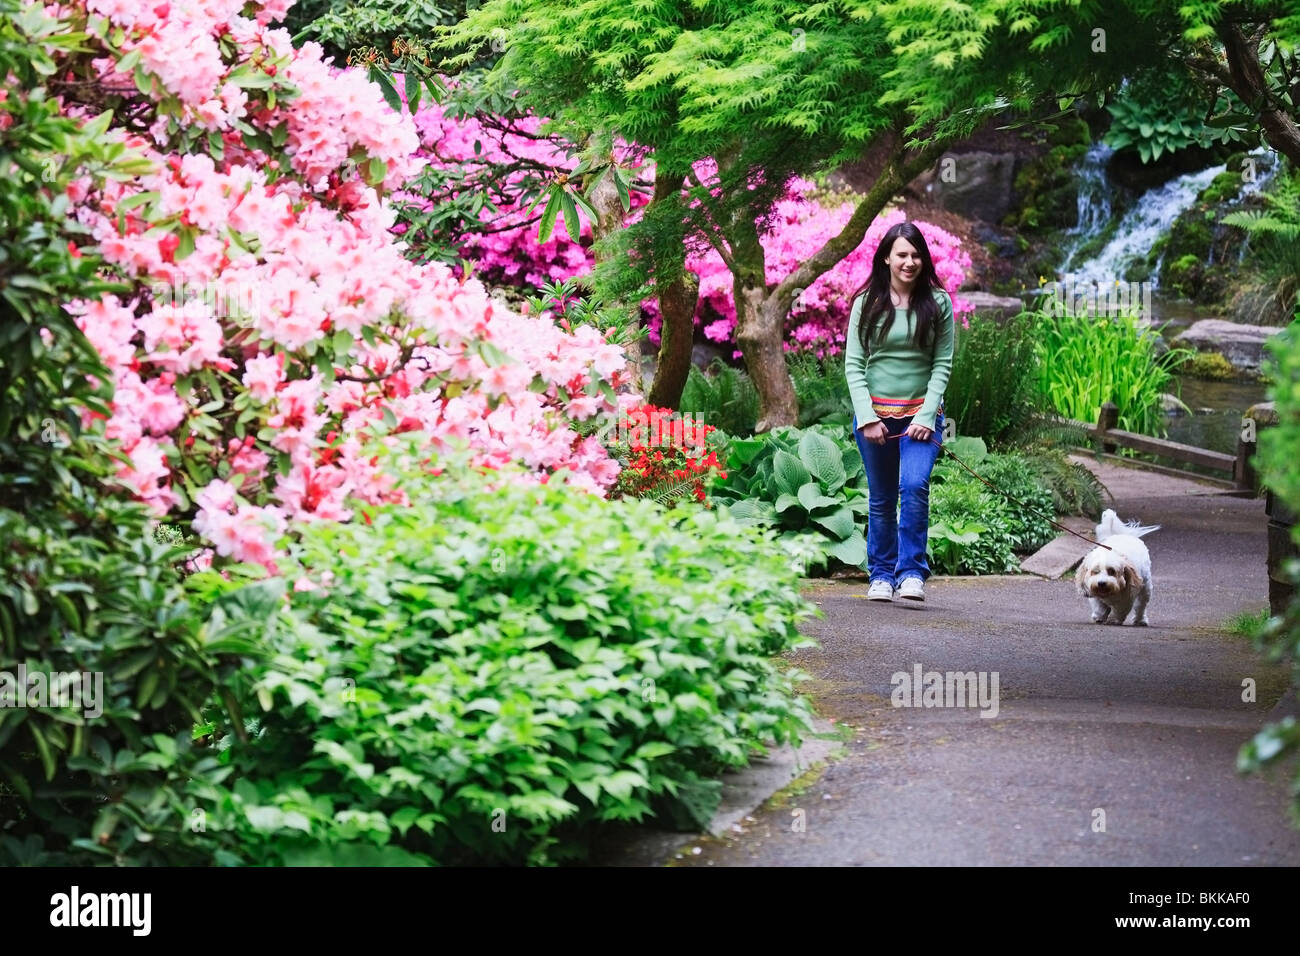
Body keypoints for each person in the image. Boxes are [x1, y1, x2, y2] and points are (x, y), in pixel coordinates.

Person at [844, 221, 955, 602]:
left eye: (916, 255)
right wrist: (868, 417)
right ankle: (880, 574)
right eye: (902, 254)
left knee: (914, 486)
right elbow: (854, 365)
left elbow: (942, 364)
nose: (910, 262)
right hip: (874, 418)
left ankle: (911, 573)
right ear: (887, 257)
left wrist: (926, 416)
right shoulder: (867, 303)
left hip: (921, 419)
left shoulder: (938, 303)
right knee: (880, 496)